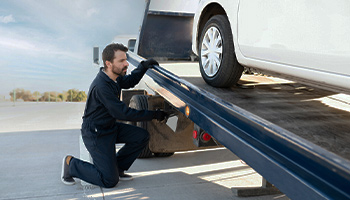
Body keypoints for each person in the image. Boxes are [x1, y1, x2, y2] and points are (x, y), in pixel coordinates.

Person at [61, 43, 167, 188]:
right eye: (121, 61)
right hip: (96, 133)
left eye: (125, 59)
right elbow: (123, 113)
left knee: (141, 136)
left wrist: (143, 66)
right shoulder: (102, 86)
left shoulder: (114, 77)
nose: (126, 63)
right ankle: (71, 165)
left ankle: (117, 168)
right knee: (109, 180)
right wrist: (154, 114)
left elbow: (130, 81)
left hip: (110, 127)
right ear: (108, 63)